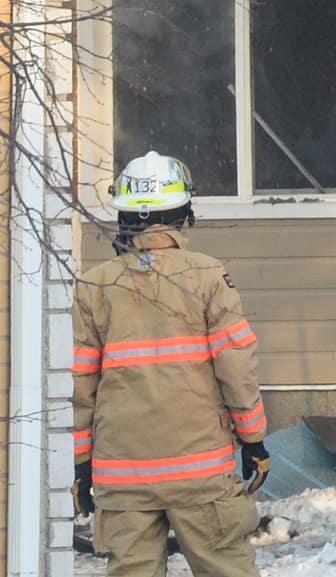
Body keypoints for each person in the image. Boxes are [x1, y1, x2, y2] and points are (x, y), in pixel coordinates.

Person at [72, 151, 271, 577]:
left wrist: (78, 464)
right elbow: (237, 368)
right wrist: (253, 441)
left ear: (123, 216)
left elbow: (79, 386)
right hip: (201, 473)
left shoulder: (94, 287)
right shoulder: (208, 277)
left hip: (122, 477)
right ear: (183, 213)